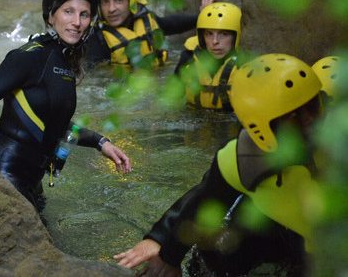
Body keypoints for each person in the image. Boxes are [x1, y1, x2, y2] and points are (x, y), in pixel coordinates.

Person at [114, 54, 323, 277]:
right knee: (219, 250)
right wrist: (166, 250)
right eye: (293, 116)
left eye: (314, 105)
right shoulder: (242, 160)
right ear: (260, 129)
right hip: (286, 231)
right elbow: (204, 202)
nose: (312, 120)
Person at [0, 0, 132, 210]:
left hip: (32, 181)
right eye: (68, 12)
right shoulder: (30, 56)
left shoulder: (65, 61)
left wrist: (101, 143)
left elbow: (54, 123)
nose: (76, 22)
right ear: (50, 16)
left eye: (84, 14)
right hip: (5, 175)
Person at [83, 0, 214, 68]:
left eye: (119, 0)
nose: (111, 9)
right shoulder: (97, 40)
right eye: (105, 2)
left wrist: (203, 17)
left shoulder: (146, 19)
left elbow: (172, 24)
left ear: (132, 0)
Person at [174, 2, 243, 111]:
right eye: (209, 34)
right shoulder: (188, 58)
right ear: (202, 38)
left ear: (236, 37)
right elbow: (172, 99)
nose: (215, 41)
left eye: (224, 34)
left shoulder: (244, 65)